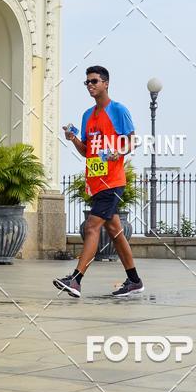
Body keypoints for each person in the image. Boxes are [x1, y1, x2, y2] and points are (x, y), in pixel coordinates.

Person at [53, 66, 144, 298]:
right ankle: (134, 281)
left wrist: (118, 152)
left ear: (106, 83)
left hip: (113, 182)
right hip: (95, 183)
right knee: (115, 231)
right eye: (87, 82)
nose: (90, 85)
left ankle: (76, 280)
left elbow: (133, 141)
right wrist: (73, 138)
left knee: (92, 226)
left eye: (94, 81)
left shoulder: (118, 110)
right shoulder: (87, 116)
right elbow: (86, 152)